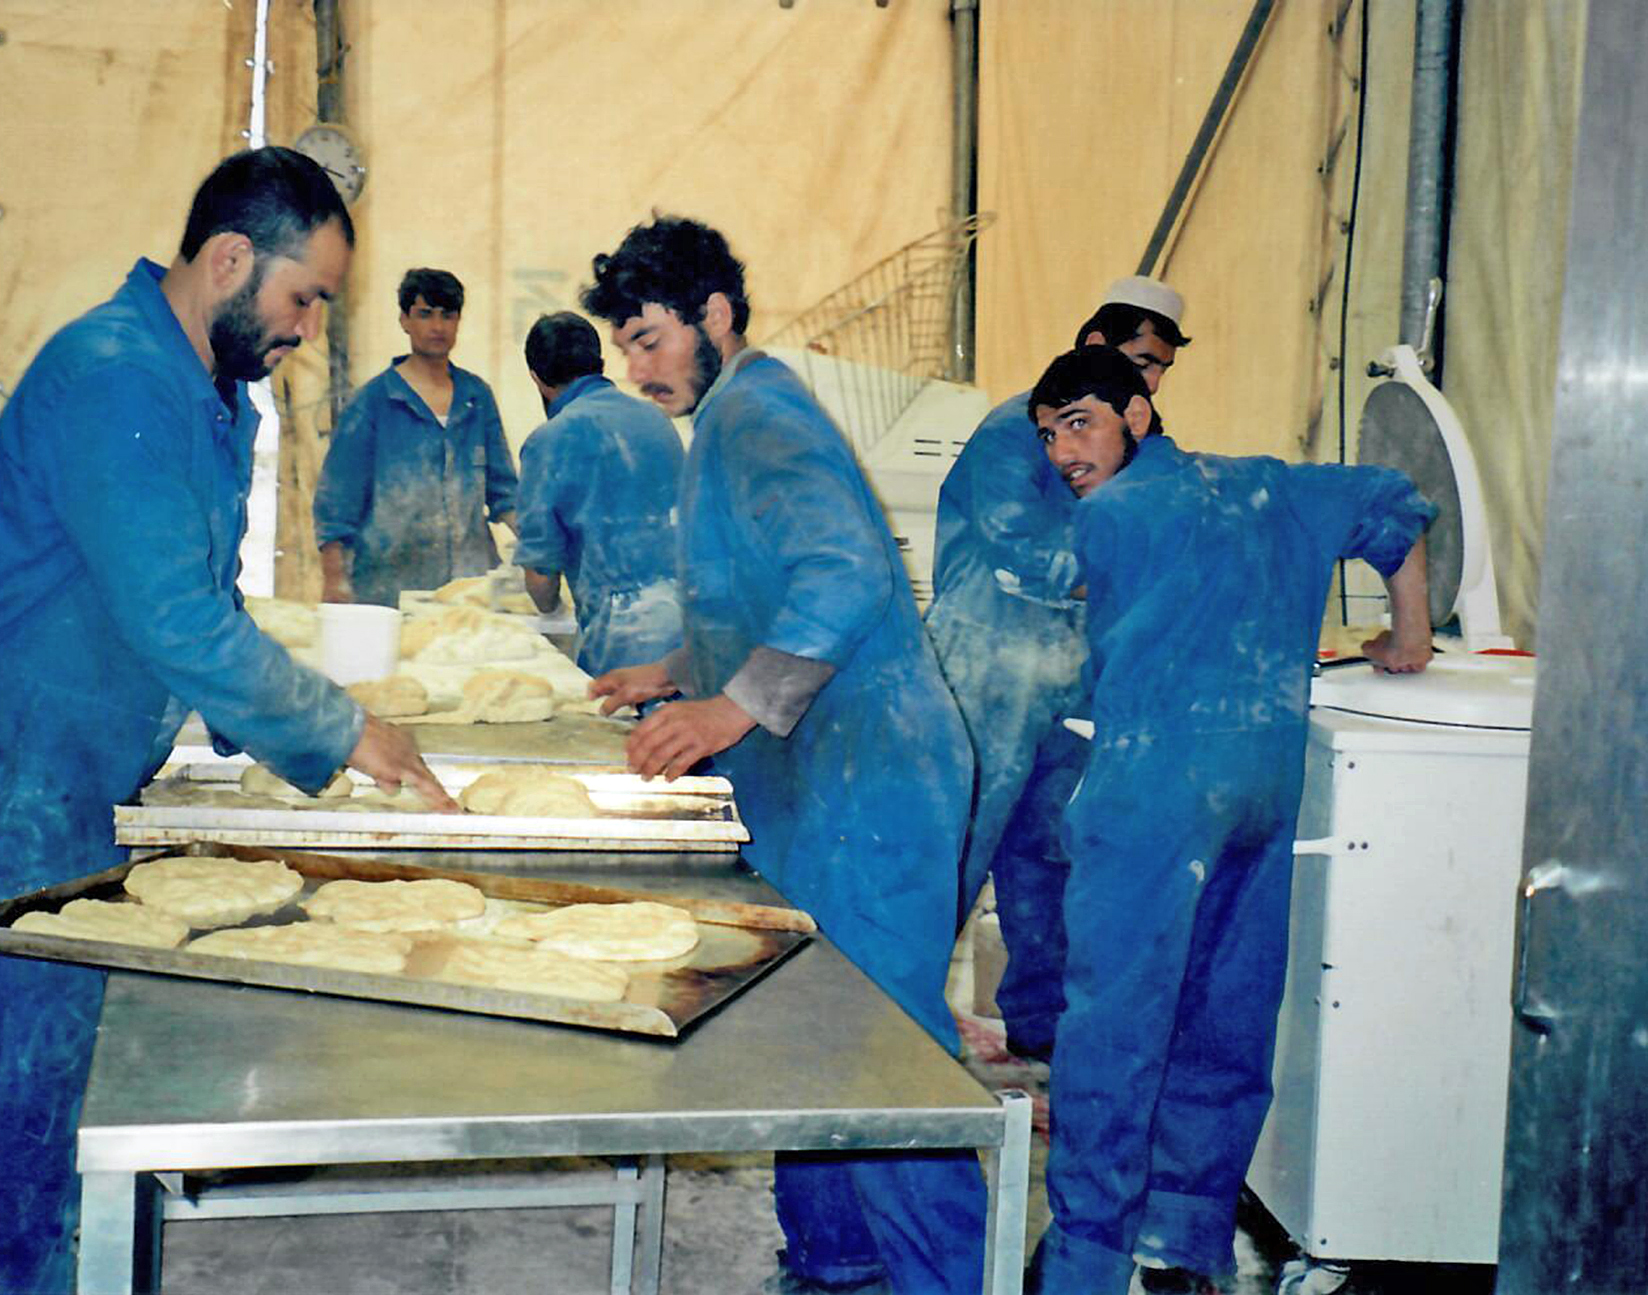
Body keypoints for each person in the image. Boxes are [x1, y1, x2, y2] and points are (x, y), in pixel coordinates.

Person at [0, 147, 451, 1295]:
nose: (308, 330)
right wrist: (339, 732)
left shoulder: (203, 393)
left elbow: (199, 595)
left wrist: (243, 739)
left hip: (63, 783)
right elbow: (173, 617)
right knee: (14, 1149)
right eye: (302, 298)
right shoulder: (116, 374)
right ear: (230, 259)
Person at [580, 216, 988, 1294]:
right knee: (813, 1035)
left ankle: (939, 1279)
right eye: (626, 346)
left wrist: (726, 712)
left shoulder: (759, 414)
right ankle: (838, 1262)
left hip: (875, 778)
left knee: (885, 1057)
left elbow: (847, 577)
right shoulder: (720, 421)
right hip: (819, 780)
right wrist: (675, 670)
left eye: (653, 339)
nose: (638, 366)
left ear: (716, 314)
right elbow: (758, 594)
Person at [1025, 346, 1433, 1295]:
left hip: (1154, 796)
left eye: (1079, 422)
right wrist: (1406, 637)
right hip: (1262, 792)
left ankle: (1086, 1261)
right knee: (1225, 1018)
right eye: (1047, 434)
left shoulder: (1109, 516)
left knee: (1116, 1029)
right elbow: (1397, 501)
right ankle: (1186, 1245)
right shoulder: (1270, 487)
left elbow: (1047, 615)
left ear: (1138, 409)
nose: (1061, 451)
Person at [925, 275, 1189, 1063]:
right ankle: (899, 1019)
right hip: (985, 674)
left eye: (1160, 371)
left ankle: (1041, 1027)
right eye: (1140, 360)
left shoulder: (1135, 445)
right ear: (1095, 345)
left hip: (1068, 682)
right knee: (957, 845)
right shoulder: (1017, 429)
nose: (1149, 383)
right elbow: (1027, 554)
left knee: (1048, 853)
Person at [314, 267, 519, 606]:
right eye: (425, 314)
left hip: (470, 591)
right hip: (388, 587)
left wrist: (541, 549)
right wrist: (335, 579)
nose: (437, 327)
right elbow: (336, 504)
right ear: (404, 320)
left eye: (448, 315)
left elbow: (504, 491)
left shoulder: (476, 396)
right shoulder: (373, 402)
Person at [511, 311, 684, 676]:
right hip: (692, 633)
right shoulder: (657, 421)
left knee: (623, 730)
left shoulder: (549, 441)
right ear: (600, 363)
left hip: (621, 639)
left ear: (537, 379)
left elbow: (541, 574)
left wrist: (551, 610)